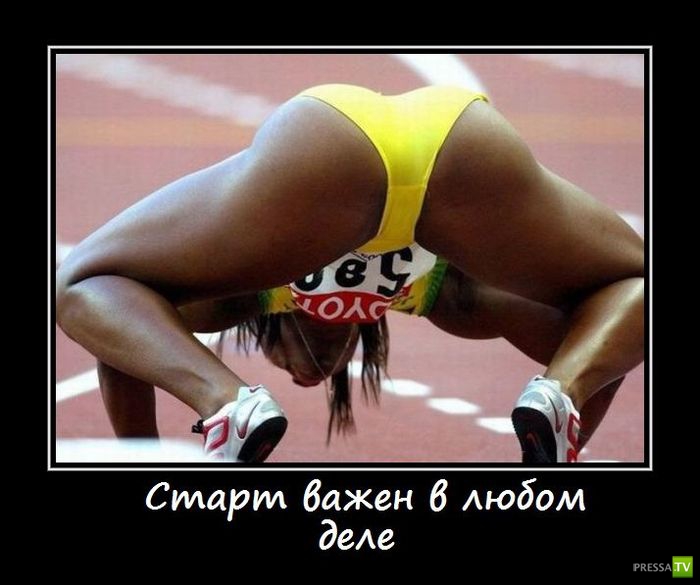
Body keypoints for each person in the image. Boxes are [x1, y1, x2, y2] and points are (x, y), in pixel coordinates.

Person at [56, 84, 644, 463]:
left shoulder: (248, 290)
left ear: (266, 329)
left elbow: (118, 326)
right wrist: (570, 391)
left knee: (78, 281)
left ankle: (225, 404)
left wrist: (144, 455)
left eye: (281, 366)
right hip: (456, 137)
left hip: (331, 138)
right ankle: (558, 403)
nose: (307, 377)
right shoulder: (438, 295)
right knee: (621, 298)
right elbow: (605, 332)